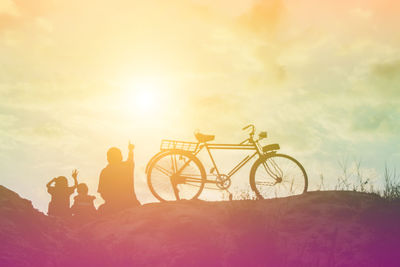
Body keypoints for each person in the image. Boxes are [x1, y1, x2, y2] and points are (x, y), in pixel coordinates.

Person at [98, 141, 140, 214]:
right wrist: (130, 150)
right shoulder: (126, 167)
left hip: (112, 207)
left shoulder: (105, 172)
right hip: (131, 204)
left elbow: (102, 192)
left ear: (108, 158)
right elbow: (130, 159)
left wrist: (111, 201)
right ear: (120, 157)